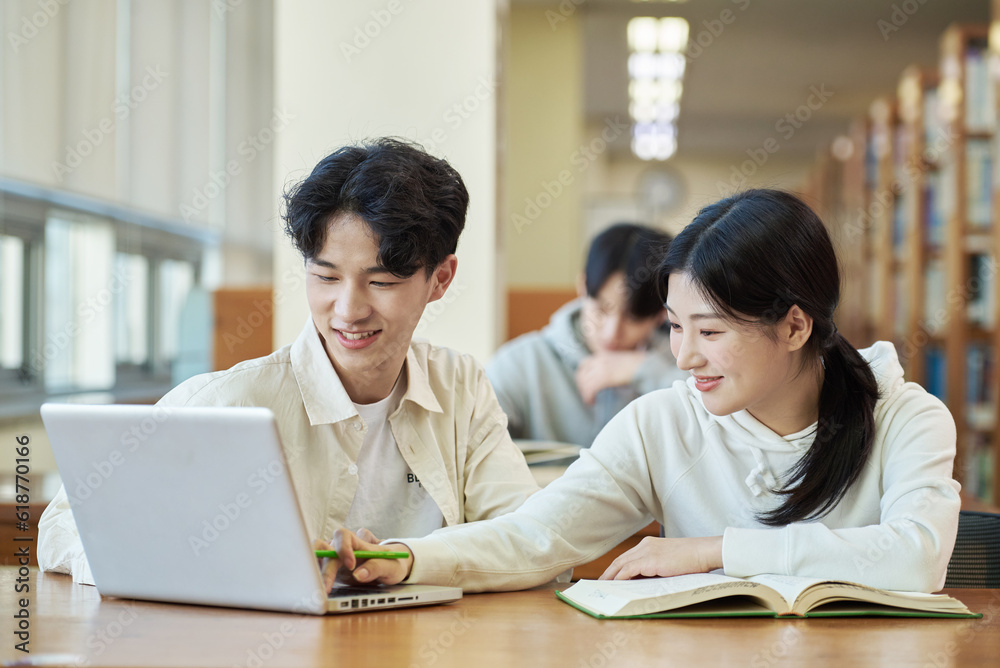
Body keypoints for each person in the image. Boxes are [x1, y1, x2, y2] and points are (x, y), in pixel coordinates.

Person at [324, 189, 960, 594]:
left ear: (796, 324)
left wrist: (711, 552)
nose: (683, 357)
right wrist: (408, 557)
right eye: (677, 327)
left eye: (710, 331)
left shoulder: (907, 417)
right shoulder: (660, 424)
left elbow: (915, 560)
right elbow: (537, 537)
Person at [37, 138, 541, 585]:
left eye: (381, 282)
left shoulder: (459, 387)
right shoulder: (229, 401)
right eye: (325, 277)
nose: (348, 309)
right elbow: (62, 530)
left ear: (440, 280)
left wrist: (408, 558)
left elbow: (533, 538)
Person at [487, 223, 686, 447]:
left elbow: (710, 424)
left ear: (662, 313)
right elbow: (475, 448)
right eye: (601, 309)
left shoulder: (684, 365)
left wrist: (646, 371)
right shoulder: (520, 363)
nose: (612, 334)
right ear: (582, 287)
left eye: (634, 318)